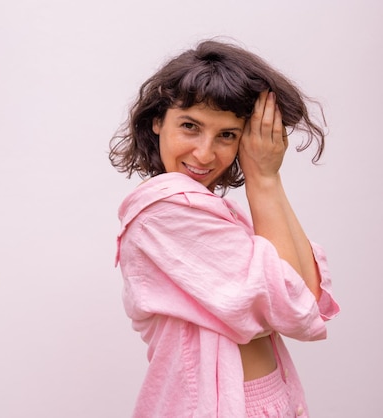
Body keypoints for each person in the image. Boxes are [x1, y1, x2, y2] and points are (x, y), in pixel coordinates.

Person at [109, 39, 340, 418]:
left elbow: (308, 296)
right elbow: (294, 309)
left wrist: (266, 178)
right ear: (156, 121)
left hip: (265, 399)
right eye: (189, 126)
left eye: (227, 135)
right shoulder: (165, 211)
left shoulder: (216, 211)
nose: (204, 153)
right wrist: (263, 181)